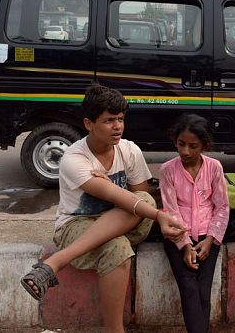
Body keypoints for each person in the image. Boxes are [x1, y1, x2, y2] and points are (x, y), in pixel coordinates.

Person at [19, 84, 186, 333]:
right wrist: (159, 215)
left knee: (145, 200)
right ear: (89, 123)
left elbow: (139, 196)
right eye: (109, 120)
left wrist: (154, 213)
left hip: (124, 222)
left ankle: (56, 262)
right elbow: (113, 194)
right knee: (117, 247)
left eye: (120, 119)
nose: (117, 126)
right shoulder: (74, 159)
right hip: (76, 226)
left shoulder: (129, 150)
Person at [160, 114, 229, 333]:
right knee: (189, 288)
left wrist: (210, 240)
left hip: (209, 237)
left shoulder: (214, 167)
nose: (185, 151)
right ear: (175, 141)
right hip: (177, 237)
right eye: (181, 144)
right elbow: (171, 210)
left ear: (204, 146)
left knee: (202, 291)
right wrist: (185, 245)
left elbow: (222, 207)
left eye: (193, 146)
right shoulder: (168, 170)